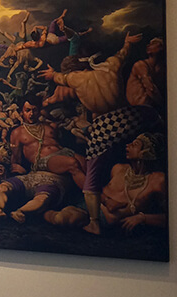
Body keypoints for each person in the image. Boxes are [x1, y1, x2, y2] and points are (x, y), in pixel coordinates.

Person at [41, 32, 158, 235]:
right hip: (129, 117)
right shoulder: (112, 64)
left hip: (104, 126)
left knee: (92, 176)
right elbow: (123, 53)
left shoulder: (76, 78)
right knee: (150, 114)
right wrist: (127, 43)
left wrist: (52, 74)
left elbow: (57, 77)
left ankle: (94, 223)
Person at [6, 97, 85, 188]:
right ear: (21, 112)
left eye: (34, 110)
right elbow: (16, 158)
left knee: (87, 164)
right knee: (72, 163)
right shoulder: (17, 132)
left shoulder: (48, 126)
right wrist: (17, 169)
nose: (31, 114)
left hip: (64, 152)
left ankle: (97, 194)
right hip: (44, 160)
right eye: (28, 110)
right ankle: (94, 196)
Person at [99, 133, 167, 231]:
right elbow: (94, 189)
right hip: (89, 206)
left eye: (135, 144)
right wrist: (106, 200)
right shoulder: (118, 168)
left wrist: (143, 218)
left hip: (104, 222)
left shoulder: (157, 180)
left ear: (146, 153)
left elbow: (172, 216)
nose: (128, 145)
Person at [125, 37, 165, 109]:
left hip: (150, 107)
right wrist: (164, 105)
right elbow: (150, 88)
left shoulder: (161, 68)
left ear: (161, 48)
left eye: (153, 43)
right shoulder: (140, 65)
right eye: (149, 44)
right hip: (138, 108)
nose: (148, 45)